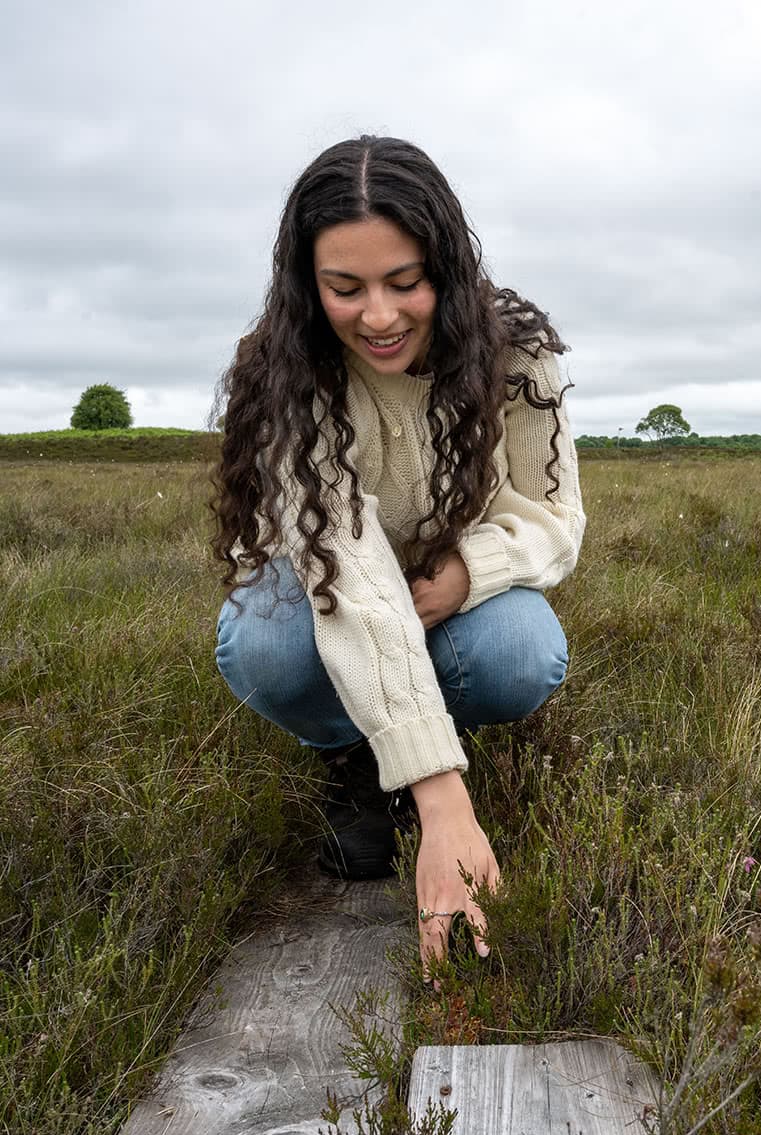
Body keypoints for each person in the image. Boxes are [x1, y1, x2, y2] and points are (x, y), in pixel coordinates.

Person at [211, 135, 585, 981]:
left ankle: (425, 733)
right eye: (345, 288)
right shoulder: (291, 370)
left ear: (445, 269)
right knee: (260, 641)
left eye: (404, 282)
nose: (377, 316)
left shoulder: (520, 356)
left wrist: (464, 576)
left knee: (525, 650)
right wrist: (444, 798)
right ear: (309, 285)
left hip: (456, 590)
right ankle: (358, 754)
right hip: (329, 586)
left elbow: (558, 520)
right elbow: (347, 567)